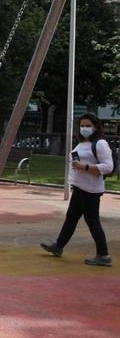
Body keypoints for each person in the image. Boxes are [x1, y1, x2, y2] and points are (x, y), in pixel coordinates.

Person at [40, 113, 113, 266]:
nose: (84, 128)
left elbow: (108, 167)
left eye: (88, 125)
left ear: (95, 127)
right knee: (71, 218)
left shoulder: (99, 144)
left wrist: (84, 167)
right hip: (79, 188)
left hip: (90, 190)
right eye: (82, 125)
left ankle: (104, 255)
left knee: (92, 221)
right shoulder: (82, 143)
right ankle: (58, 246)